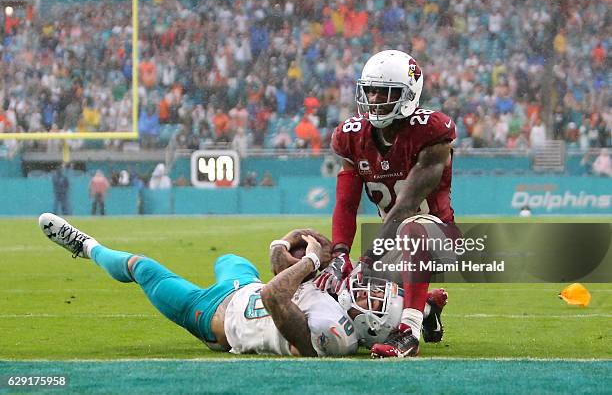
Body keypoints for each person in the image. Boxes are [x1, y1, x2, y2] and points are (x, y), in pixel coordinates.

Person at [38, 213, 358, 357]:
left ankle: (88, 247)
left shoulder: (330, 335)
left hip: (211, 315)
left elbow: (273, 295)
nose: (360, 296)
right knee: (229, 258)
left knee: (141, 267)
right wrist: (284, 244)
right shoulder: (330, 298)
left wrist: (312, 262)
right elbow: (277, 273)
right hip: (243, 287)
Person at [316, 50, 454, 358]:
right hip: (393, 244)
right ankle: (426, 306)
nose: (375, 98)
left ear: (408, 93)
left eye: (385, 91)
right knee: (324, 268)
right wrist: (339, 255)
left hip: (439, 238)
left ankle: (408, 332)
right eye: (371, 90)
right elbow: (346, 204)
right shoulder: (352, 136)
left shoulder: (431, 131)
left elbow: (406, 205)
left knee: (412, 228)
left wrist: (368, 258)